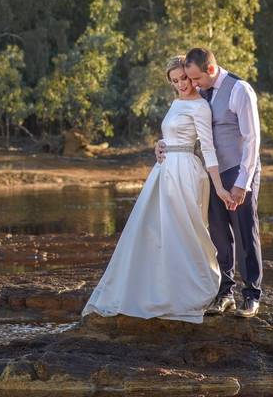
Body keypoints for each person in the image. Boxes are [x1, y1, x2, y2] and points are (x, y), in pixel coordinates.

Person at [82, 55, 232, 323]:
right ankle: (161, 288)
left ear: (190, 73)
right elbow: (172, 133)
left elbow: (207, 148)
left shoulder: (201, 106)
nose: (181, 85)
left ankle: (192, 290)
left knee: (185, 231)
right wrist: (160, 143)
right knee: (157, 231)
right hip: (164, 171)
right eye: (175, 81)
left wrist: (219, 186)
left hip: (186, 172)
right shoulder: (175, 103)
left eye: (184, 79)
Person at [156, 47, 263, 318]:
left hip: (237, 170)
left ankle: (251, 295)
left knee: (244, 231)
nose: (192, 84)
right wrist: (162, 144)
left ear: (210, 70)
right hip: (209, 174)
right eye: (188, 80)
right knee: (217, 233)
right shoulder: (200, 93)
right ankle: (225, 291)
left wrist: (242, 183)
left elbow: (252, 140)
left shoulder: (240, 90)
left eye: (195, 79)